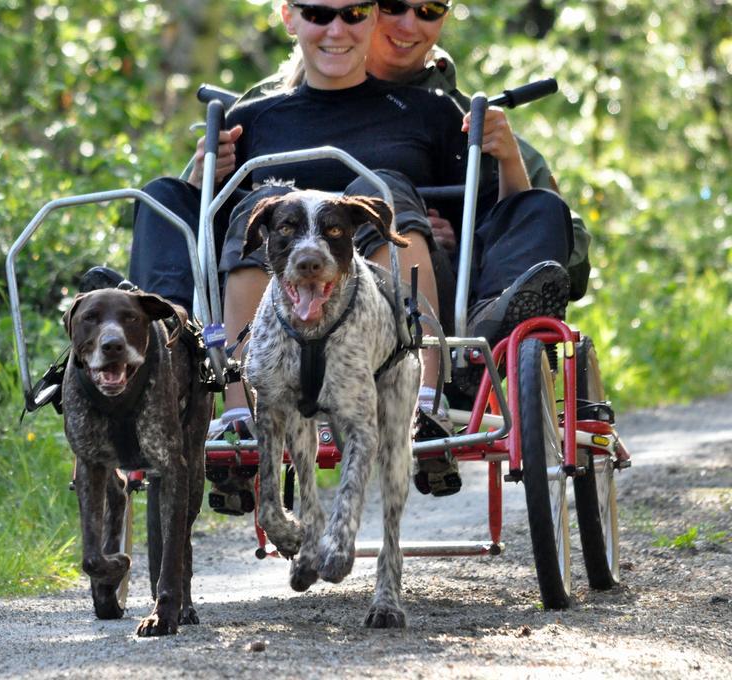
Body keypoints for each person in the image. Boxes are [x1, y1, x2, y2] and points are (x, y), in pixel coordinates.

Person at [120, 0, 572, 504]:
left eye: (354, 13)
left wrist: (506, 157)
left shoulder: (433, 113)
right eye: (317, 14)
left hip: (394, 301)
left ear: (372, 19)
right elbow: (222, 232)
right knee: (229, 201)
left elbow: (498, 217)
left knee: (392, 191)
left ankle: (427, 398)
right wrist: (203, 177)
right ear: (290, 18)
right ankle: (222, 396)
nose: (336, 29)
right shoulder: (250, 121)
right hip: (282, 310)